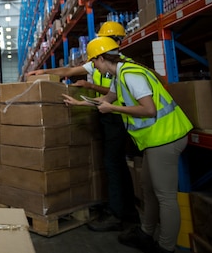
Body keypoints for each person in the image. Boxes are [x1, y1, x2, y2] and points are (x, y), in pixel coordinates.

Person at [62, 37, 193, 253]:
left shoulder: (131, 75)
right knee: (148, 189)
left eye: (93, 62)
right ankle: (146, 233)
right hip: (154, 139)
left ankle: (166, 247)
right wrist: (79, 103)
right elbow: (109, 99)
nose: (93, 66)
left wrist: (114, 110)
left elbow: (149, 109)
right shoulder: (119, 74)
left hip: (167, 137)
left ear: (102, 58)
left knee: (165, 196)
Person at [27, 21, 139, 231]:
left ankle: (119, 213)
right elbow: (69, 69)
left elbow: (114, 93)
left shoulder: (123, 65)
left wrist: (89, 86)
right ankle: (118, 207)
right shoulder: (100, 58)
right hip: (101, 111)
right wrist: (43, 72)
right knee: (111, 163)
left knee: (114, 164)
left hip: (116, 116)